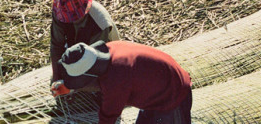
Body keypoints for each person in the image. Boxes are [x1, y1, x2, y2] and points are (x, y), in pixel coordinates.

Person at [57, 40, 192, 124]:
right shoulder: (110, 49)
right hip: (156, 90)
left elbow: (108, 116)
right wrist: (70, 87)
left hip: (173, 96)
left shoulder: (116, 79)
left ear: (90, 75)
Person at [50, 0, 120, 83]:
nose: (70, 21)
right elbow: (56, 45)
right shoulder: (60, 11)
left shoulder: (100, 24)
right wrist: (56, 78)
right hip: (77, 45)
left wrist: (73, 85)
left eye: (73, 18)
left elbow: (93, 59)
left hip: (101, 53)